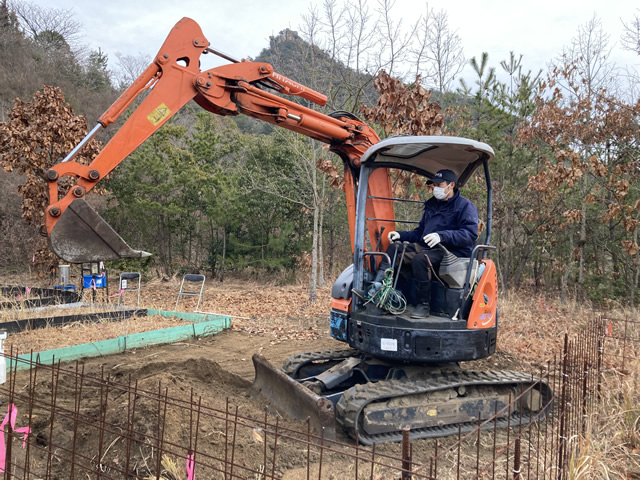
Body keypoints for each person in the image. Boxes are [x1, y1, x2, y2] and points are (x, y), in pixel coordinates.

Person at [376, 169, 479, 319]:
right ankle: (381, 292)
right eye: (434, 185)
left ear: (451, 185)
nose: (436, 188)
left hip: (451, 251)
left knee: (420, 259)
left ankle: (423, 305)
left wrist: (442, 236)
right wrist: (401, 235)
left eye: (439, 184)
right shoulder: (432, 205)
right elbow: (420, 233)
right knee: (395, 249)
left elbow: (469, 234)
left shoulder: (465, 206)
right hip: (428, 247)